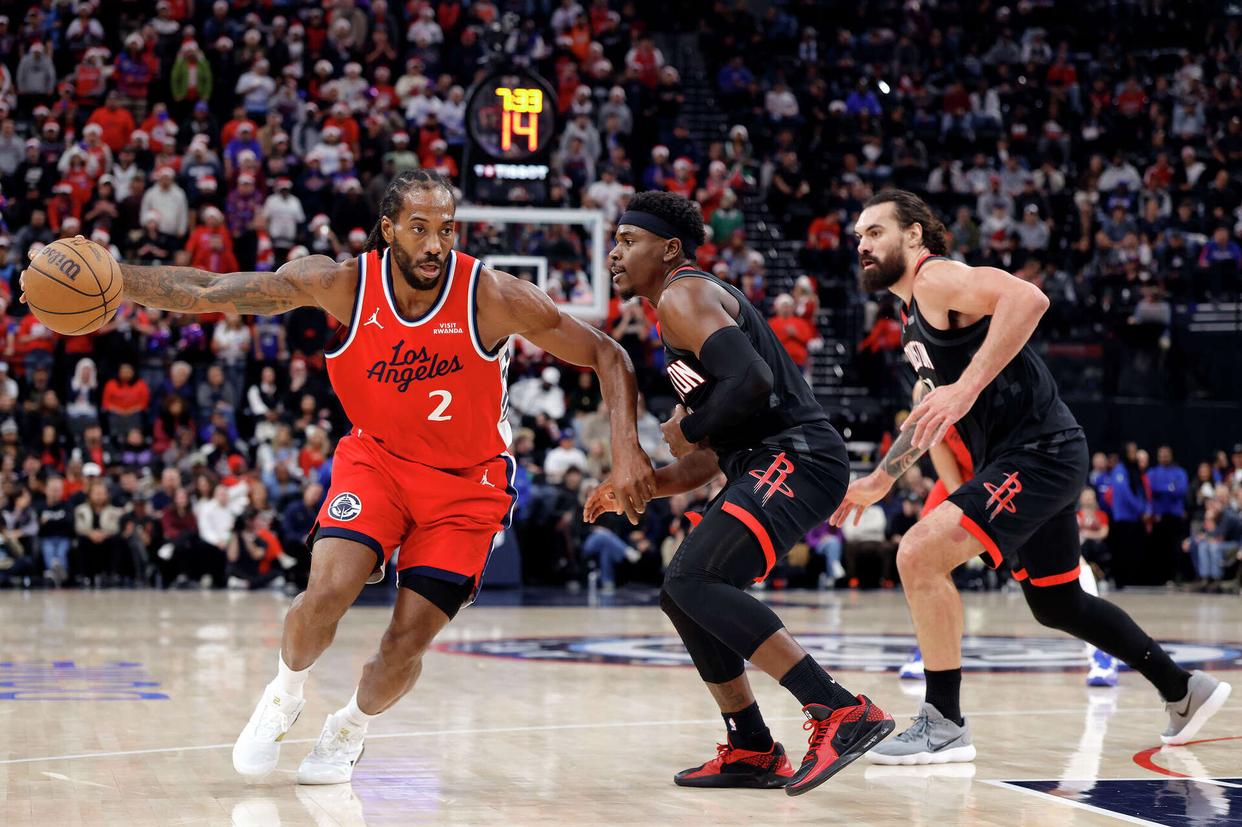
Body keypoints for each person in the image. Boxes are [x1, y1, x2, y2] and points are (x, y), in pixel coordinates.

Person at [22, 170, 654, 785]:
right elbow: (211, 288)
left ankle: (349, 728)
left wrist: (626, 453)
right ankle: (285, 691)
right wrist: (116, 277)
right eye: (419, 228)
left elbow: (609, 352)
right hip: (377, 462)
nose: (435, 243)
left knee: (405, 641)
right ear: (388, 229)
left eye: (446, 229)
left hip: (468, 484)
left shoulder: (493, 296)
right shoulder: (341, 284)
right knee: (327, 591)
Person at [833, 189, 1231, 765]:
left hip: (1038, 452)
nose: (863, 245)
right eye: (859, 237)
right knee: (1056, 602)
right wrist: (880, 479)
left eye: (875, 232)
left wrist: (966, 388)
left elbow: (1028, 297)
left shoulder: (935, 277)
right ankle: (1183, 689)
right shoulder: (912, 316)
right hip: (1036, 456)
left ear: (913, 234)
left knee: (918, 554)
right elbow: (928, 407)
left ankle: (943, 723)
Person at [584, 191, 892, 796]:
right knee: (682, 595)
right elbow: (708, 458)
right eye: (615, 242)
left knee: (694, 581)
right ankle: (751, 746)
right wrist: (641, 486)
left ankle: (839, 710)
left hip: (796, 456)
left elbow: (752, 381)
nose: (614, 254)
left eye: (628, 241)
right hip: (766, 459)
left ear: (669, 249)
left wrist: (688, 426)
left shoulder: (684, 295)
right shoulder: (681, 312)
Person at [897, 386, 1121, 687]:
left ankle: (1102, 652)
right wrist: (963, 499)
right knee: (921, 557)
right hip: (961, 477)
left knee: (1067, 563)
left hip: (1010, 471)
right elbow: (936, 444)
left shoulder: (985, 374)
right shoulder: (923, 386)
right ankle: (929, 650)